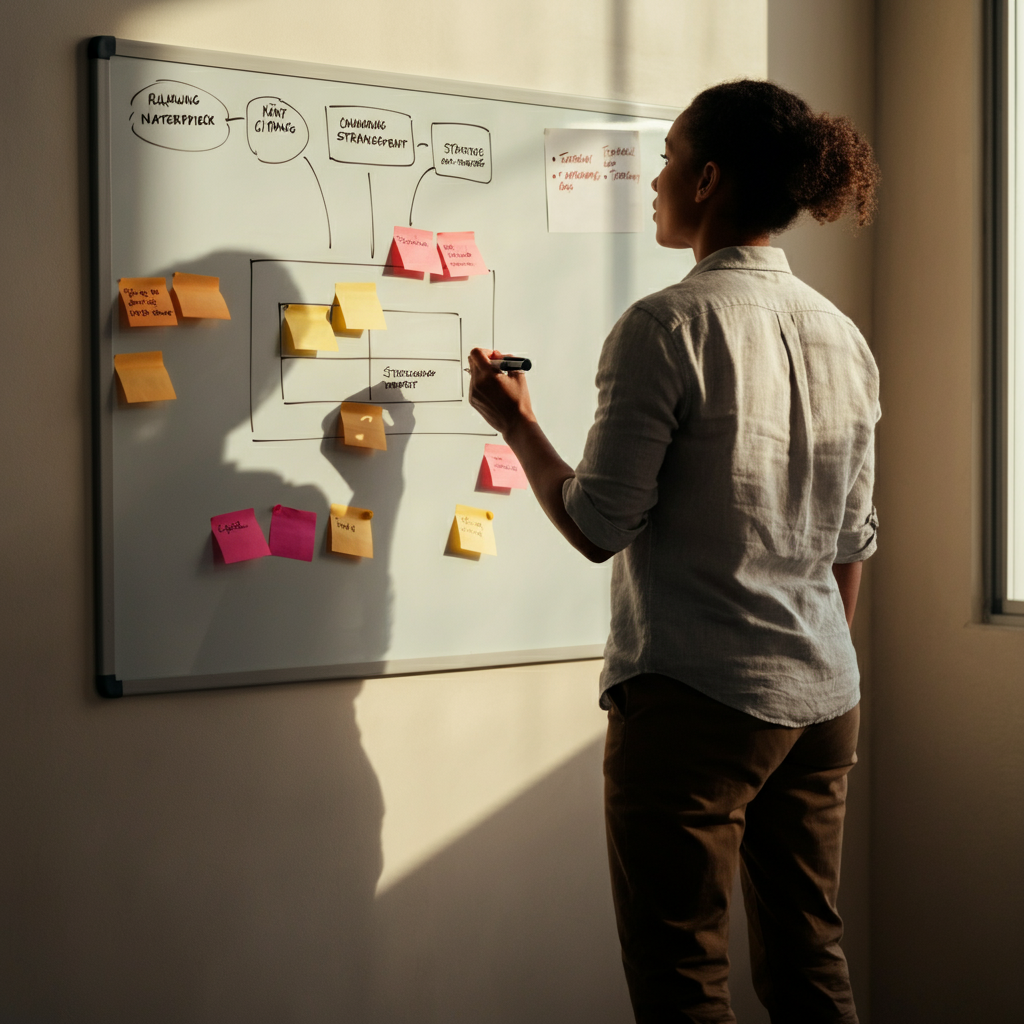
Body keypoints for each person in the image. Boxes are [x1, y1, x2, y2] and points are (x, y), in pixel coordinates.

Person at [468, 79, 880, 1023]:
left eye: (666, 161)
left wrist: (516, 425)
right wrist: (810, 653)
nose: (654, 181)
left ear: (708, 180)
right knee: (811, 958)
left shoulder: (665, 326)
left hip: (696, 704)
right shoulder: (843, 336)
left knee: (681, 976)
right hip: (823, 698)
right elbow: (851, 541)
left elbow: (597, 523)